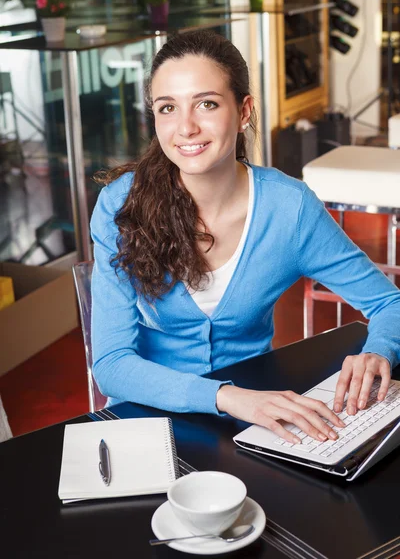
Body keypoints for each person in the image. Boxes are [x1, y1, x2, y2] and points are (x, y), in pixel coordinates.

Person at [90, 29, 400, 446]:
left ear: (244, 111)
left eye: (207, 103)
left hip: (254, 420)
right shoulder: (119, 206)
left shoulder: (288, 208)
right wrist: (226, 397)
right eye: (167, 108)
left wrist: (378, 350)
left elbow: (388, 302)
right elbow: (111, 364)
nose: (186, 127)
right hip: (149, 418)